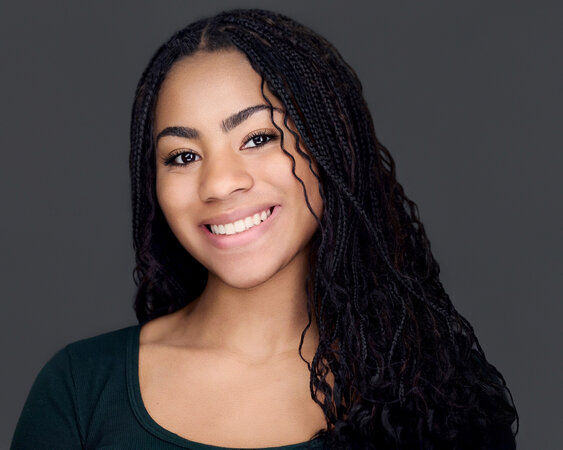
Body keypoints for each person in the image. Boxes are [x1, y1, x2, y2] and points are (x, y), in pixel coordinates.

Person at [11, 8, 518, 450]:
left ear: (329, 146)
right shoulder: (80, 390)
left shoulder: (436, 394)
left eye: (257, 138)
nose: (219, 183)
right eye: (183, 156)